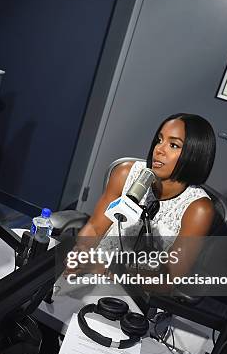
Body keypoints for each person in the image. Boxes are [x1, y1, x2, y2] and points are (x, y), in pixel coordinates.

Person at [70, 113, 216, 280]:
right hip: (90, 272)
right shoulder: (125, 173)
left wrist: (105, 270)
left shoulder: (198, 209)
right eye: (159, 140)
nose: (159, 149)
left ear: (195, 154)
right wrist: (80, 254)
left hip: (136, 292)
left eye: (173, 145)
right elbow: (95, 227)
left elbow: (168, 281)